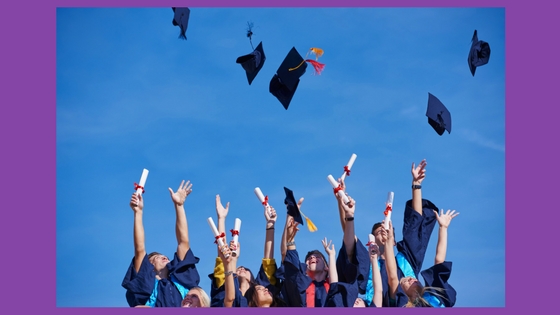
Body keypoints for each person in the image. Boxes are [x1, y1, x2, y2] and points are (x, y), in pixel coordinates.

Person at [121, 180, 201, 307]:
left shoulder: (182, 283)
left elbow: (183, 242)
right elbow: (139, 248)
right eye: (156, 257)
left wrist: (179, 206)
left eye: (166, 257)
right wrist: (138, 213)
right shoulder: (146, 286)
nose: (165, 257)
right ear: (148, 266)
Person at [399, 208, 459, 307]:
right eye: (406, 281)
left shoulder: (434, 294)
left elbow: (439, 261)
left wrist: (443, 228)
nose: (411, 279)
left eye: (411, 278)